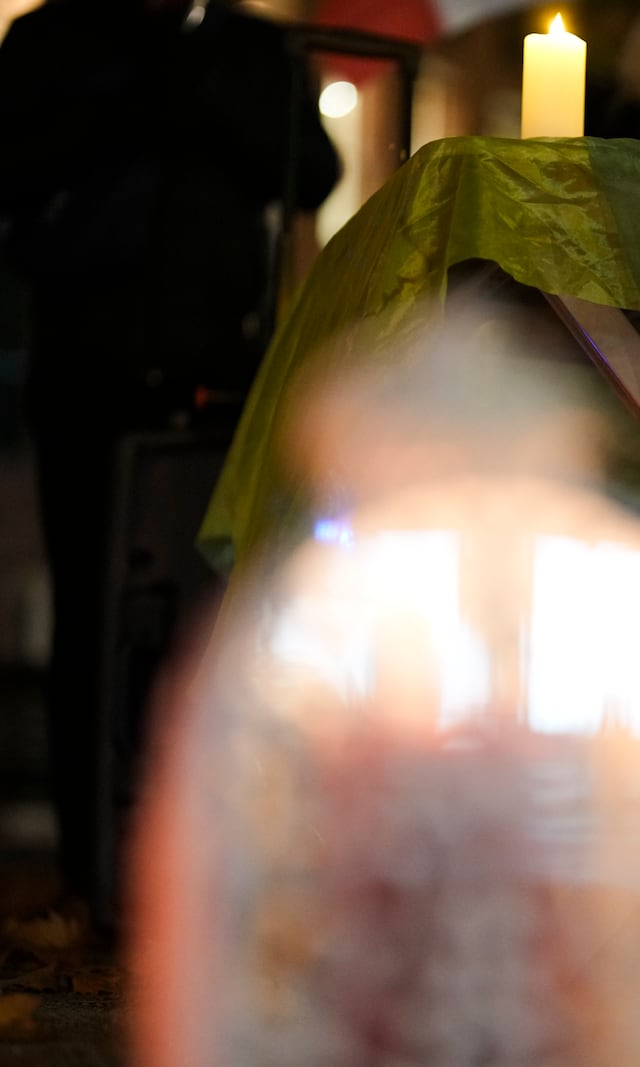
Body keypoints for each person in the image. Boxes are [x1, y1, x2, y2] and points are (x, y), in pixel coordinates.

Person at [0, 0, 340, 921]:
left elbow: (312, 171)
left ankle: (207, 861)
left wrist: (197, 95)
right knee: (89, 613)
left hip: (216, 367)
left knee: (213, 616)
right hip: (88, 364)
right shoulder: (51, 40)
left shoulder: (249, 48)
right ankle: (92, 868)